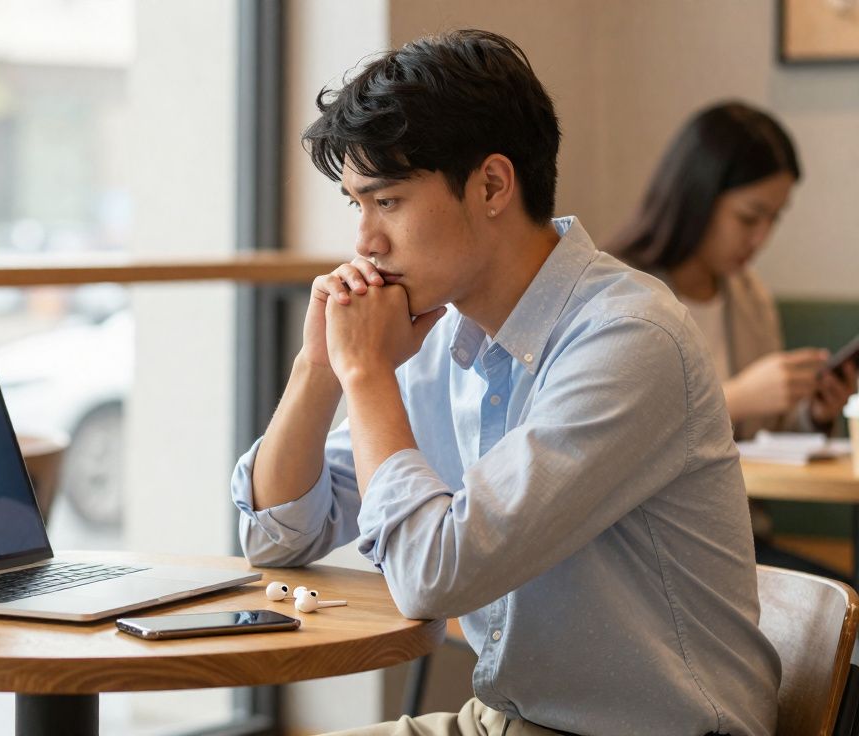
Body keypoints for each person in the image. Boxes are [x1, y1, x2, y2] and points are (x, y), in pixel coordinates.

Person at [230, 30, 779, 736]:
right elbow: (277, 540)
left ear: (491, 185)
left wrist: (366, 374)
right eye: (354, 205)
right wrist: (319, 369)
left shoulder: (629, 338)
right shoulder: (440, 338)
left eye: (387, 201)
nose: (363, 241)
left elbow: (434, 577)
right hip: (500, 722)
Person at [610, 101, 856, 441]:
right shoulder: (616, 293)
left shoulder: (751, 300)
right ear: (698, 197)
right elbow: (614, 435)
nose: (761, 238)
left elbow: (768, 439)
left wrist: (813, 415)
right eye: (749, 217)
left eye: (774, 218)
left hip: (747, 495)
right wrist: (736, 397)